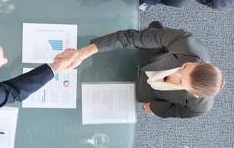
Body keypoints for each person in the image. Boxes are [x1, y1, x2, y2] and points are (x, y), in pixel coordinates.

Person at [55, 22, 225, 118]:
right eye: (185, 67)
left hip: (143, 89)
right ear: (204, 62)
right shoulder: (186, 43)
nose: (176, 72)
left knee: (83, 92)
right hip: (141, 55)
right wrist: (84, 52)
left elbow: (177, 111)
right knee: (80, 49)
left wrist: (154, 108)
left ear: (194, 94)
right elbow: (130, 38)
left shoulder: (199, 106)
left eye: (181, 81)